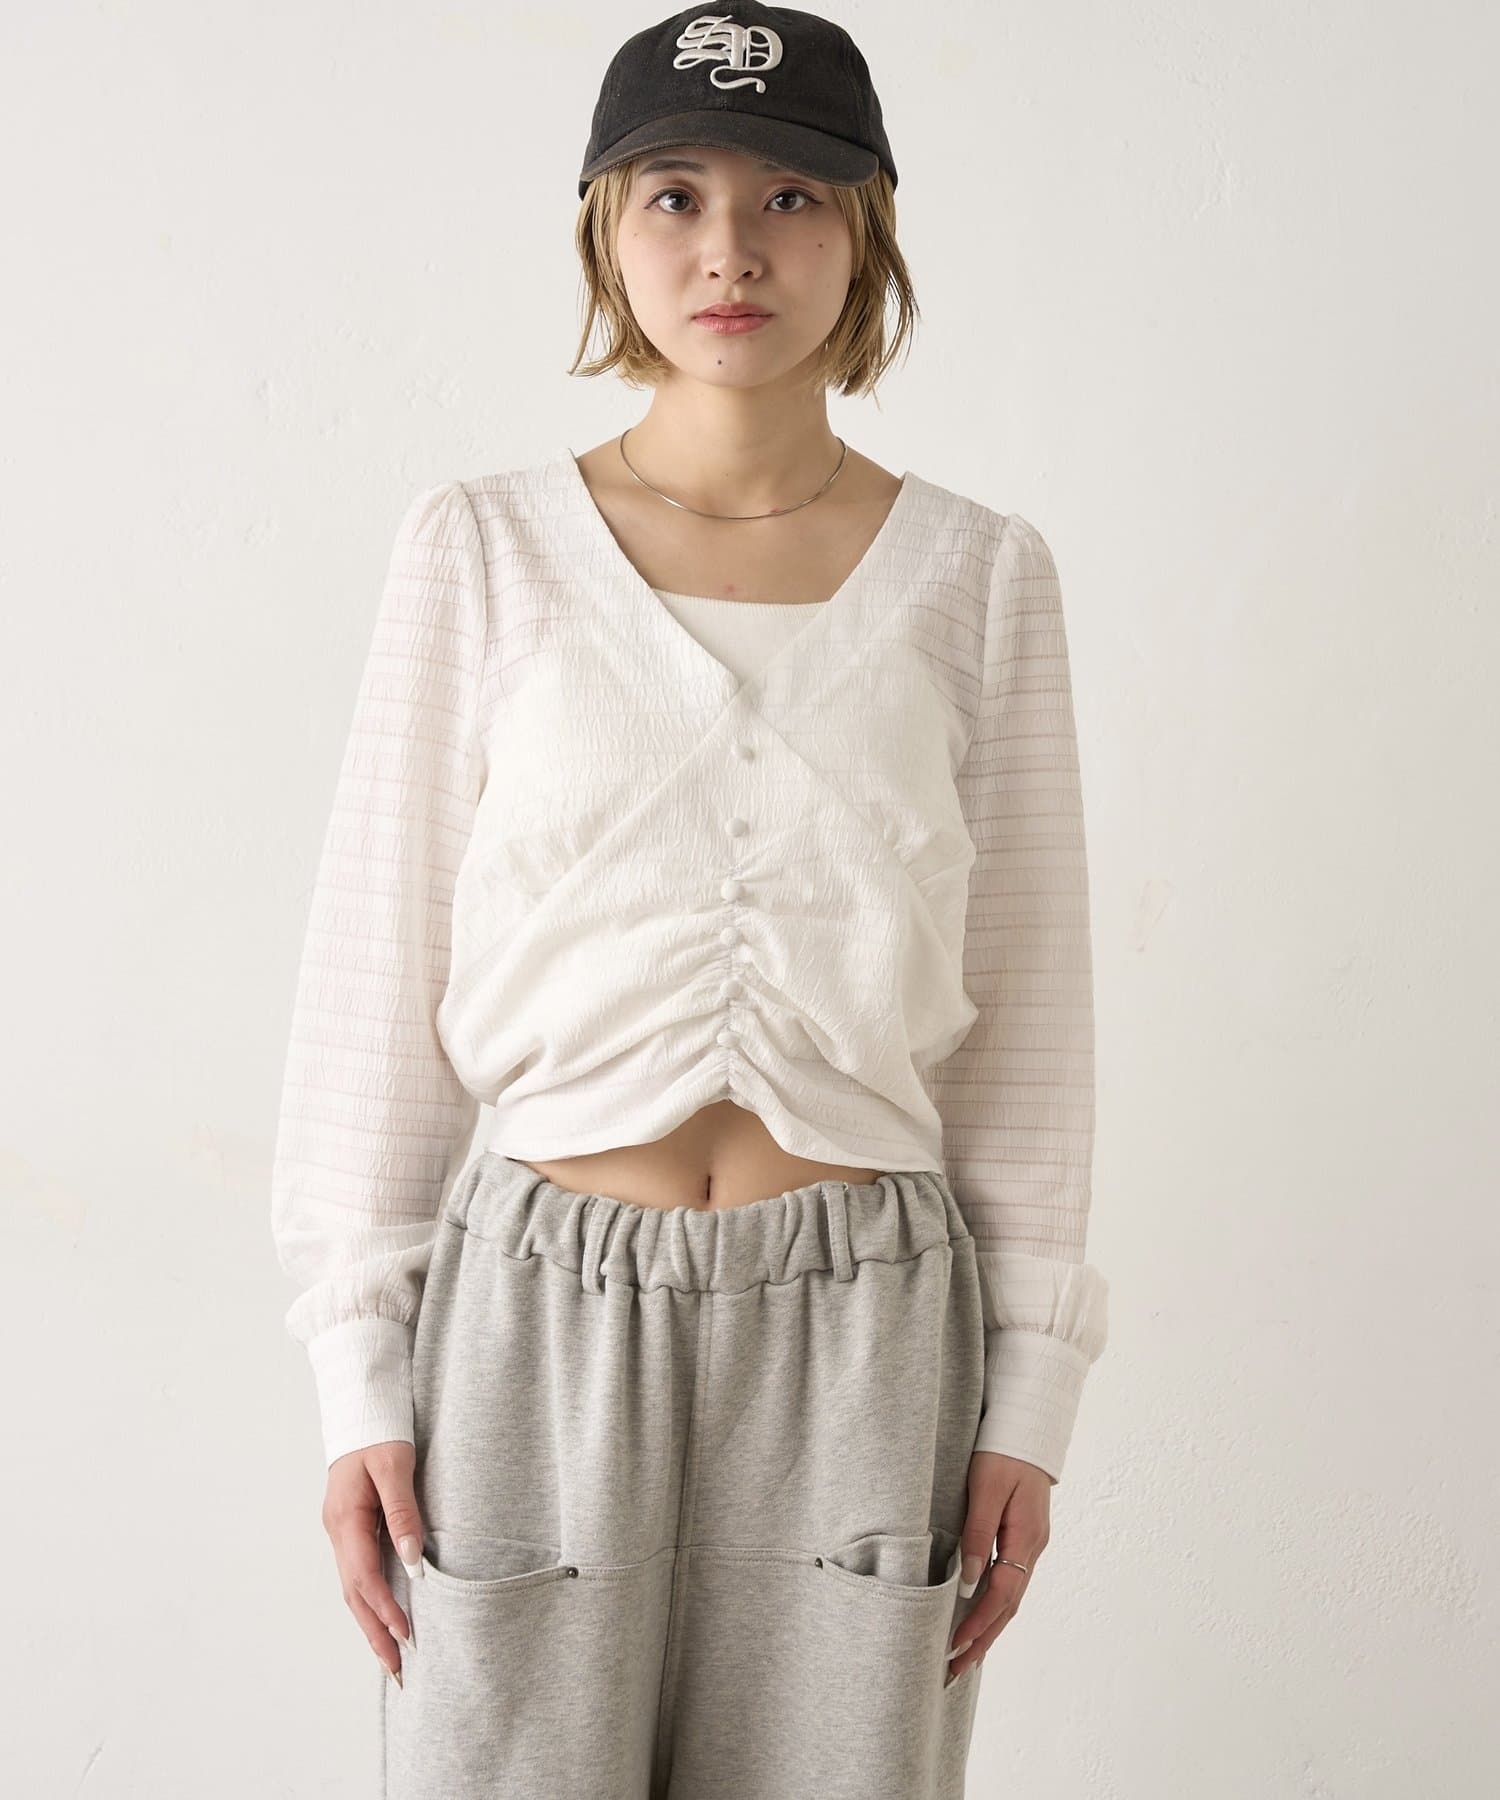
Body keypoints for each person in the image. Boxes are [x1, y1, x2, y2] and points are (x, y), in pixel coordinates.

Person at [271, 5, 1109, 1794]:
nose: (732, 248)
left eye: (792, 195)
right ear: (607, 227)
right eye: (676, 194)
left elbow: (1032, 1017)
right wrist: (357, 1376)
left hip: (865, 1331)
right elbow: (373, 975)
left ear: (866, 229)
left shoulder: (980, 578)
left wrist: (1030, 1397)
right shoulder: (481, 548)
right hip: (532, 1323)